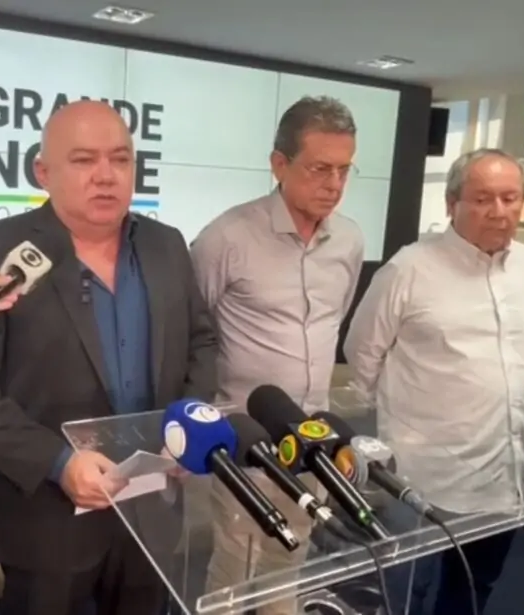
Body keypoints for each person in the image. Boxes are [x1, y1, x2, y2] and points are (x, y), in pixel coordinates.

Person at [0, 100, 218, 615]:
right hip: (47, 515)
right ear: (43, 172)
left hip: (152, 503)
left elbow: (202, 343)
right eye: (84, 160)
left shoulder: (167, 245)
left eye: (120, 159)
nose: (106, 176)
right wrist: (57, 464)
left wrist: (187, 427)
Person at [344, 148, 524, 615]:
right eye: (482, 198)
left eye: (510, 198)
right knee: (404, 595)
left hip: (509, 473)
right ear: (452, 204)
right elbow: (362, 354)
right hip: (426, 479)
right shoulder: (409, 268)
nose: (499, 211)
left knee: (474, 591)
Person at [189, 95, 364, 614]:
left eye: (344, 170)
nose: (334, 184)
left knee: (287, 565)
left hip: (313, 442)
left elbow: (334, 321)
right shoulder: (226, 238)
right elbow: (193, 335)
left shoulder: (349, 240)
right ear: (279, 164)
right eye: (319, 168)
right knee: (234, 575)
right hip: (246, 447)